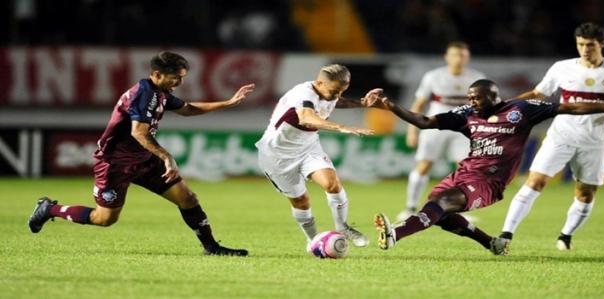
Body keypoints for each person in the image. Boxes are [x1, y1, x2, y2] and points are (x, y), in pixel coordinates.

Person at [365, 79, 604, 254]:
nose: (471, 102)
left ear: (495, 97)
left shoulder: (521, 110)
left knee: (442, 204)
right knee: (440, 212)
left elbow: (569, 108)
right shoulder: (466, 115)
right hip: (462, 173)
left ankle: (396, 234)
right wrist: (389, 105)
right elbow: (424, 121)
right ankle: (491, 243)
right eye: (470, 97)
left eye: (477, 97)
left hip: (489, 182)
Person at [28, 51, 255, 256]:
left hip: (144, 160)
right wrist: (167, 157)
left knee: (187, 198)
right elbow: (139, 133)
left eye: (182, 77)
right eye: (176, 77)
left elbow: (187, 109)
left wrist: (227, 103)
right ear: (157, 74)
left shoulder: (161, 92)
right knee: (104, 219)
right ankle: (50, 209)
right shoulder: (144, 95)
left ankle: (211, 247)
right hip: (115, 164)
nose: (180, 82)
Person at [499, 23, 604, 250]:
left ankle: (565, 235)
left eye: (590, 45)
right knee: (535, 181)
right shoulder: (562, 68)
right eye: (581, 44)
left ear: (602, 44)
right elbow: (538, 94)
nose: (585, 49)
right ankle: (506, 235)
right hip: (560, 135)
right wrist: (506, 107)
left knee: (585, 193)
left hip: (595, 141)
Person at [256, 64, 380, 248]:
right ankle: (313, 240)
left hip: (308, 147)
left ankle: (342, 227)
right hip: (277, 154)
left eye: (342, 91)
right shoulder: (303, 94)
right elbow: (306, 117)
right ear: (319, 82)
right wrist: (341, 127)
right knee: (301, 200)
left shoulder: (327, 92)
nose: (337, 95)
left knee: (332, 184)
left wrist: (362, 103)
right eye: (335, 90)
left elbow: (335, 101)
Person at [399, 41, 485, 221]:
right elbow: (419, 104)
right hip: (435, 125)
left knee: (464, 168)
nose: (458, 59)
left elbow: (484, 108)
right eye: (455, 54)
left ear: (467, 57)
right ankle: (410, 207)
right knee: (424, 165)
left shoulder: (477, 78)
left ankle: (459, 210)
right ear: (447, 57)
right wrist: (412, 130)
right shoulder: (433, 77)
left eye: (462, 55)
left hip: (463, 128)